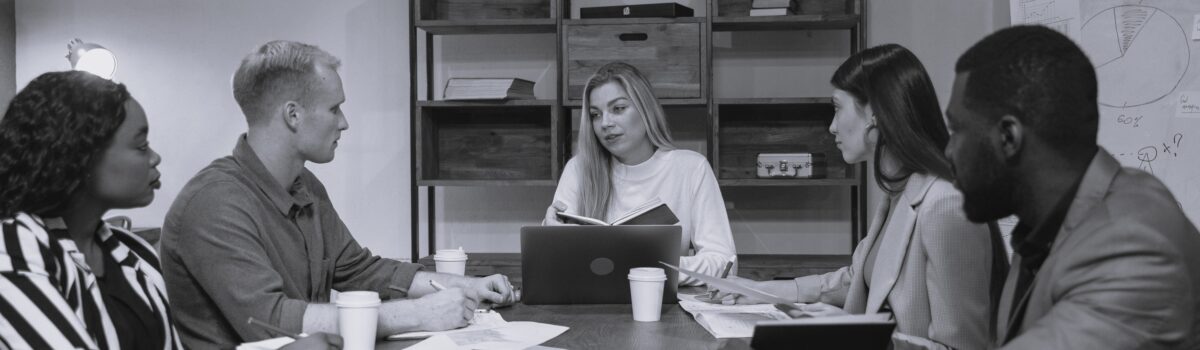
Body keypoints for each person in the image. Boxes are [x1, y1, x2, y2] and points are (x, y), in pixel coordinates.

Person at [160, 41, 515, 348]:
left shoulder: (305, 186)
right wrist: (417, 314)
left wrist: (470, 286)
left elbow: (361, 271)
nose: (344, 122)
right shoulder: (214, 204)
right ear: (293, 115)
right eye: (334, 108)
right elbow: (271, 321)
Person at [0, 71, 342, 350]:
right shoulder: (13, 253)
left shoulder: (130, 252)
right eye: (140, 145)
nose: (154, 158)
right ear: (80, 157)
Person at [714, 44, 1004, 349]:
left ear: (875, 114)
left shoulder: (945, 204)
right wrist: (762, 291)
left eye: (837, 108)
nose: (832, 126)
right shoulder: (899, 191)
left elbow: (962, 347)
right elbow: (861, 278)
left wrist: (852, 332)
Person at [946, 25, 1200, 349]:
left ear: (1008, 137)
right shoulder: (1046, 228)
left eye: (956, 130)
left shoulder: (1132, 245)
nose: (948, 152)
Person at [542, 62, 736, 286]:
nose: (605, 123)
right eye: (596, 114)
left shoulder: (691, 168)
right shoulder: (579, 169)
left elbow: (723, 262)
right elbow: (555, 265)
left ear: (645, 109)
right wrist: (550, 236)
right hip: (591, 305)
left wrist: (651, 268)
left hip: (662, 307)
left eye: (618, 109)